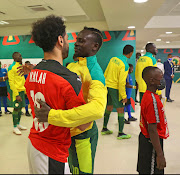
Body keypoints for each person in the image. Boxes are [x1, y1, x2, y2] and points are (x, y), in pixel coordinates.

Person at [24, 16, 107, 174]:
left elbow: (97, 109)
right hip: (61, 135)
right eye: (75, 39)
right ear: (60, 41)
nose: (76, 43)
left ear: (95, 46)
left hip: (81, 135)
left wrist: (53, 116)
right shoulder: (70, 68)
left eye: (81, 41)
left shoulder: (95, 73)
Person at [137, 66, 169, 174]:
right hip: (151, 142)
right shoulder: (152, 100)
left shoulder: (149, 96)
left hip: (148, 139)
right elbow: (152, 129)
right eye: (161, 77)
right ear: (152, 80)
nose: (162, 80)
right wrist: (160, 155)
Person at [101, 45, 134, 139]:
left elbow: (106, 72)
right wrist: (124, 95)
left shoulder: (113, 59)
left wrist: (104, 85)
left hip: (108, 86)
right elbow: (121, 82)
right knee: (120, 109)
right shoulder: (124, 65)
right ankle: (120, 133)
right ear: (130, 53)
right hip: (115, 89)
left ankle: (104, 128)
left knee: (109, 107)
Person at [8, 52, 27, 135]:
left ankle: (18, 124)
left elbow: (22, 79)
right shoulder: (11, 68)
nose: (21, 57)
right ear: (14, 57)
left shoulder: (20, 66)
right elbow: (11, 82)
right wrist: (17, 94)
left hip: (22, 91)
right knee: (16, 109)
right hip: (16, 92)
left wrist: (25, 91)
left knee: (20, 109)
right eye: (19, 56)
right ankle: (14, 127)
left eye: (21, 55)